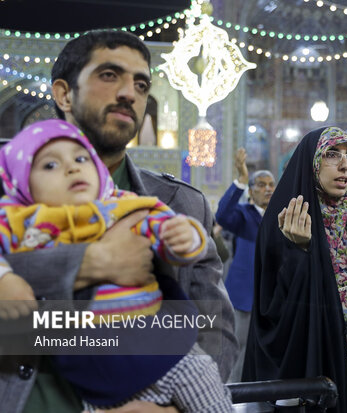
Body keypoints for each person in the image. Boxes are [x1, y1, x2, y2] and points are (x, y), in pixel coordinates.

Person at [0, 30, 236, 413]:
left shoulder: (179, 204)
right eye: (109, 75)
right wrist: (92, 265)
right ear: (63, 94)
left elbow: (214, 326)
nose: (129, 92)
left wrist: (173, 408)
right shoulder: (9, 195)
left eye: (141, 84)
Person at [243, 127, 347, 413]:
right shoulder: (282, 219)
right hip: (310, 359)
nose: (345, 165)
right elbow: (272, 312)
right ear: (312, 161)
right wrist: (299, 252)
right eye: (332, 155)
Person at [216, 147, 275, 383]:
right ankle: (232, 394)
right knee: (238, 345)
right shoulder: (244, 215)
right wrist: (240, 179)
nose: (268, 188)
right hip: (245, 295)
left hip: (273, 296)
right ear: (251, 191)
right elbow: (222, 215)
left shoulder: (282, 215)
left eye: (271, 184)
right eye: (261, 184)